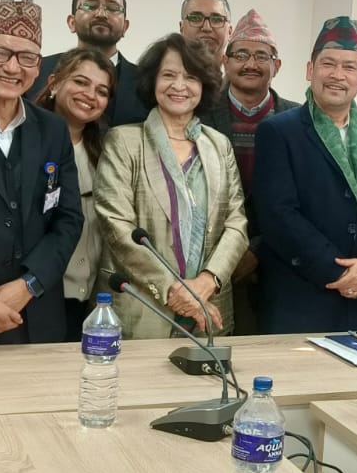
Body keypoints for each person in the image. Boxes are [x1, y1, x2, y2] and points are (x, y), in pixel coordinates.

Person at [254, 16, 357, 334]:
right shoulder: (278, 131)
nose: (338, 75)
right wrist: (339, 272)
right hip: (301, 300)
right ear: (310, 70)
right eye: (328, 64)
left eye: (349, 67)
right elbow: (278, 216)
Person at [94, 35, 248, 337]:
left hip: (210, 307)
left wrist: (208, 280)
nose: (179, 85)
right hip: (142, 310)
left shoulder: (219, 145)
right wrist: (174, 290)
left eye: (191, 77)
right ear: (152, 81)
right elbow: (116, 226)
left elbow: (237, 223)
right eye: (168, 75)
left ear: (204, 85)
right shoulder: (124, 141)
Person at [0, 0, 84, 346]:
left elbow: (68, 219)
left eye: (26, 58)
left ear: (38, 67)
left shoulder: (52, 129)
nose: (12, 67)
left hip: (36, 318)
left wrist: (31, 283)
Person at [198, 9, 298, 332]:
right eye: (241, 55)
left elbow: (305, 199)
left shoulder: (300, 121)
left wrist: (257, 250)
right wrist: (227, 256)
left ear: (277, 66)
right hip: (208, 262)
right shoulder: (199, 112)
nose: (250, 64)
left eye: (261, 56)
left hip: (280, 262)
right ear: (225, 61)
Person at [38, 47, 117, 338]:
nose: (90, 95)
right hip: (39, 292)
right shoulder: (28, 142)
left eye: (101, 91)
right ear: (54, 83)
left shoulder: (106, 151)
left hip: (91, 296)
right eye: (81, 82)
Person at [28, 0, 144, 124]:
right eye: (90, 6)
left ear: (125, 27)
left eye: (113, 8)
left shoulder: (146, 82)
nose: (101, 14)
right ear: (72, 22)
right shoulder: (37, 70)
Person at [179, 0, 232, 71]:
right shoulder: (161, 74)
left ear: (230, 31)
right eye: (196, 18)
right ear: (181, 28)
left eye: (216, 20)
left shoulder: (243, 76)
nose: (207, 28)